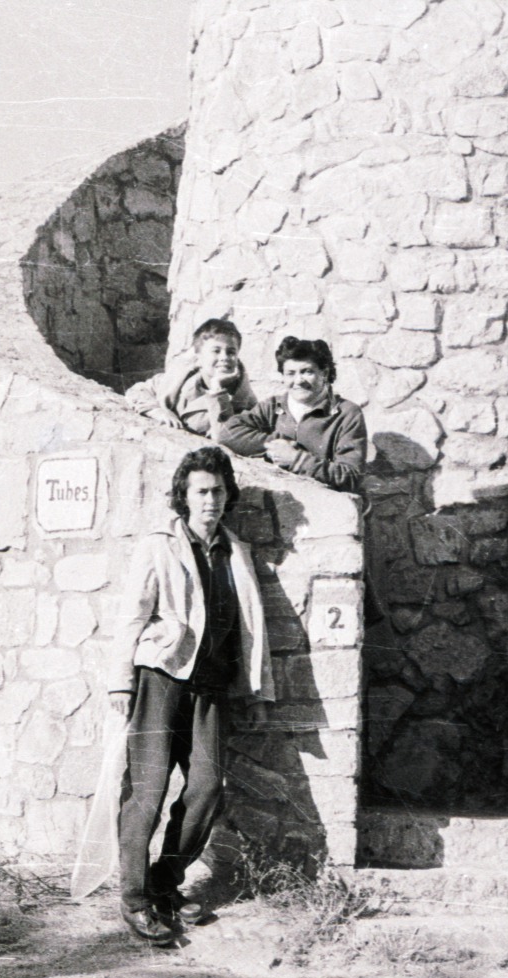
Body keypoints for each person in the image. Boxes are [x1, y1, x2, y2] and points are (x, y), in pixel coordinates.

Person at [103, 446, 273, 944]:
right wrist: (121, 681)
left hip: (211, 688)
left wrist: (257, 691)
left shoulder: (235, 551)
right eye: (201, 491)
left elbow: (252, 626)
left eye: (218, 491)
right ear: (184, 496)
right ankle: (135, 899)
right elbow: (133, 615)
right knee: (148, 790)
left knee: (206, 787)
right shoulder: (160, 545)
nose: (210, 500)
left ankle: (163, 881)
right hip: (161, 679)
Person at [219, 336, 366, 493]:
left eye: (307, 372)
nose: (298, 380)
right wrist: (278, 445)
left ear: (324, 373)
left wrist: (297, 459)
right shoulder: (272, 406)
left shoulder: (346, 413)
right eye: (290, 373)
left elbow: (351, 477)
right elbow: (227, 434)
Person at [125, 318, 257, 439]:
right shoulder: (181, 379)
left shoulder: (246, 402)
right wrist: (158, 411)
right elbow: (138, 391)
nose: (224, 357)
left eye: (231, 352)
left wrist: (217, 390)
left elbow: (226, 435)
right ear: (199, 356)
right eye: (216, 351)